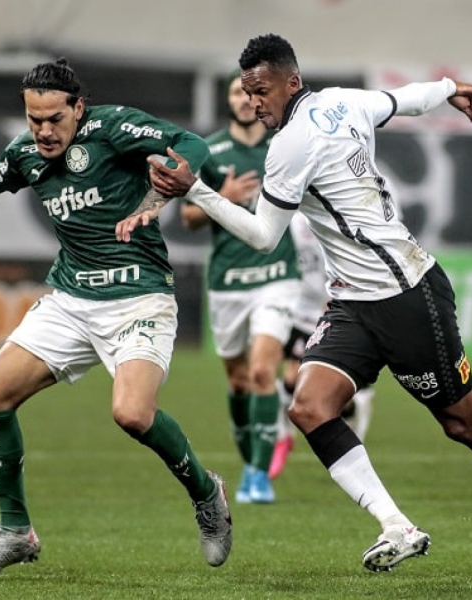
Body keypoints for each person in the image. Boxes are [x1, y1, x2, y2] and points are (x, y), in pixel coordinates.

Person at [121, 34, 472, 577]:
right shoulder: (344, 101)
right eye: (247, 93)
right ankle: (395, 525)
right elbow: (405, 99)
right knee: (308, 407)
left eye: (262, 91)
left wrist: (199, 192)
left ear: (292, 82)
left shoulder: (289, 146)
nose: (256, 103)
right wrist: (451, 89)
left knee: (463, 423)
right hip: (353, 303)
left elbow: (262, 235)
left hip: (407, 294)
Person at [0, 57, 233, 578]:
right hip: (70, 300)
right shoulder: (26, 153)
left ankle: (207, 492)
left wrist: (159, 192)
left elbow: (193, 144)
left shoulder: (112, 126)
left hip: (139, 297)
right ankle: (14, 532)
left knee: (133, 415)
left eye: (55, 118)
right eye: (34, 120)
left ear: (78, 108)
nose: (44, 131)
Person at [180, 70, 301, 503]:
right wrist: (222, 196)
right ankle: (250, 458)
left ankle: (257, 474)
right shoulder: (209, 150)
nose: (245, 98)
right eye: (236, 90)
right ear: (229, 100)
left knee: (263, 371)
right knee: (237, 381)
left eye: (251, 91)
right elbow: (188, 220)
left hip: (277, 275)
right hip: (228, 280)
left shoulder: (284, 143)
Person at [268, 212, 374, 479]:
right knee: (291, 379)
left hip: (330, 306)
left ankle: (351, 420)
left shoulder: (328, 216)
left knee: (331, 396)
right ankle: (283, 438)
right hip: (299, 308)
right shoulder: (290, 219)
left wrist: (334, 295)